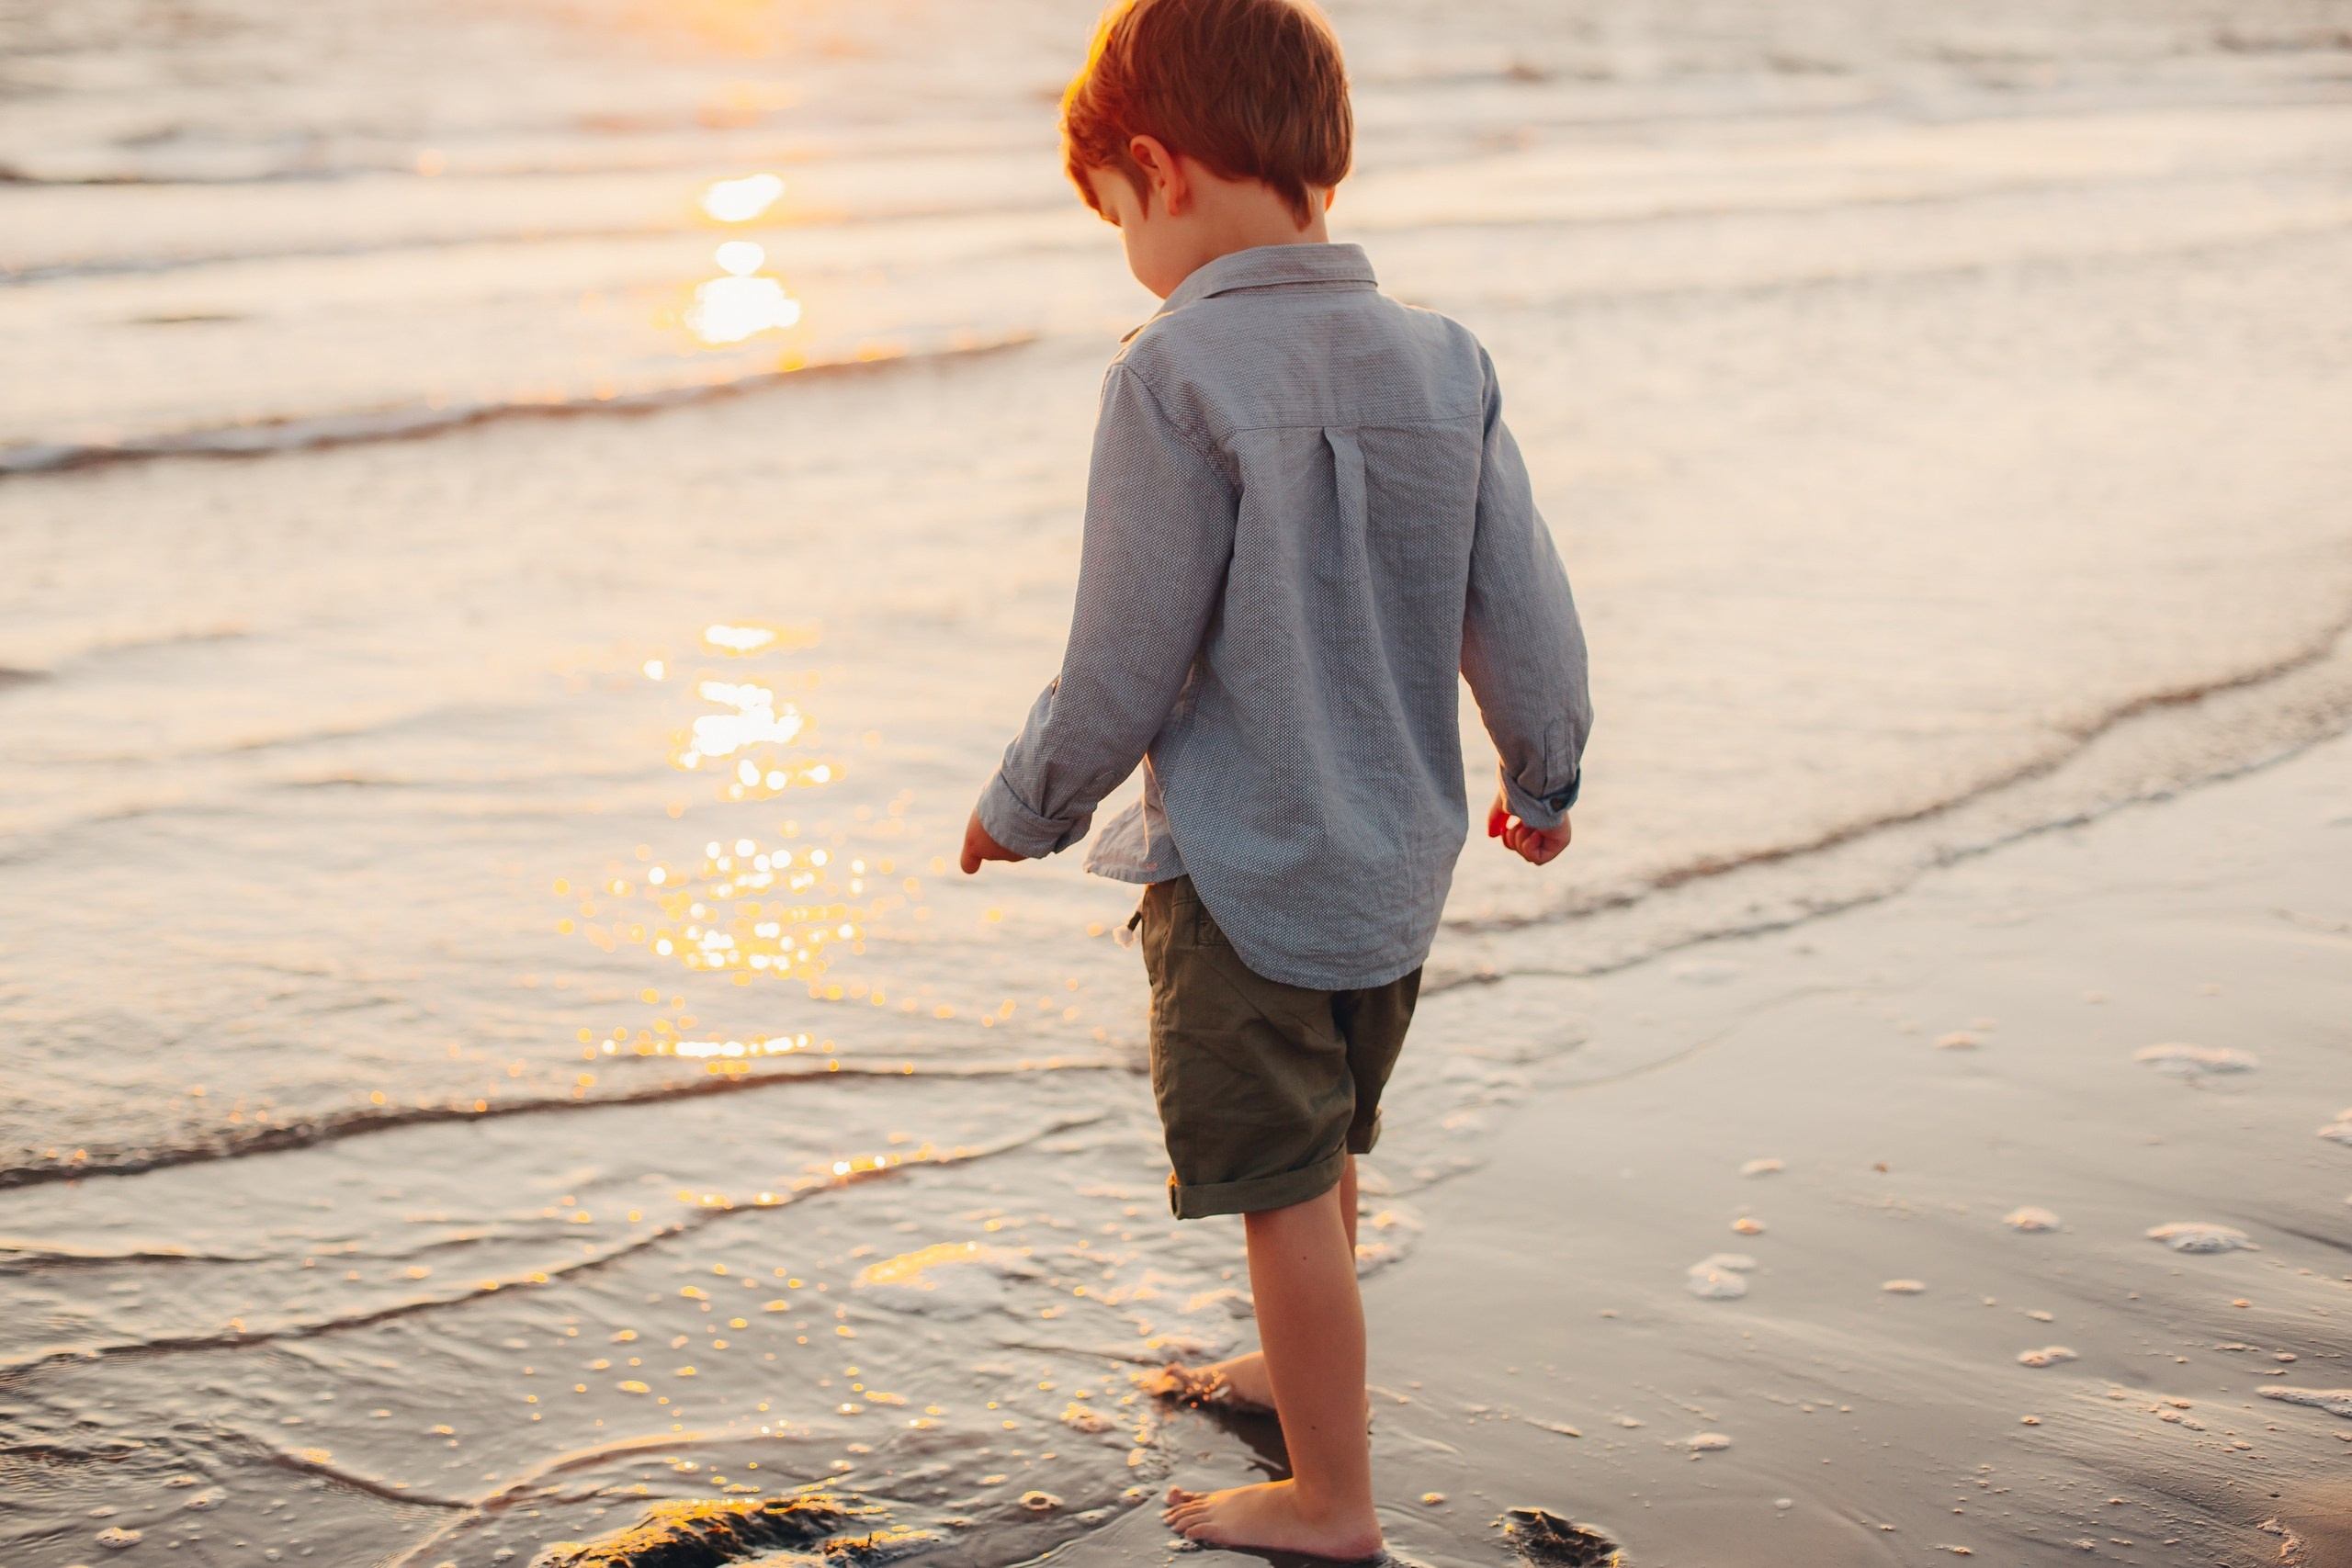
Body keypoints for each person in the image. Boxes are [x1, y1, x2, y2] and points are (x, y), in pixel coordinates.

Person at [957, 0, 1590, 1555]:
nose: (1122, 244)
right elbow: (1524, 608)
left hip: (1244, 870)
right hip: (1399, 859)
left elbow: (1124, 659)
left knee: (1280, 1181)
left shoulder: (1173, 375)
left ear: (1155, 172)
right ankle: (1293, 1380)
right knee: (1330, 1150)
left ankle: (1330, 1496)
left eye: (1109, 213)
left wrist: (1025, 802)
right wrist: (1547, 772)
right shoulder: (1445, 359)